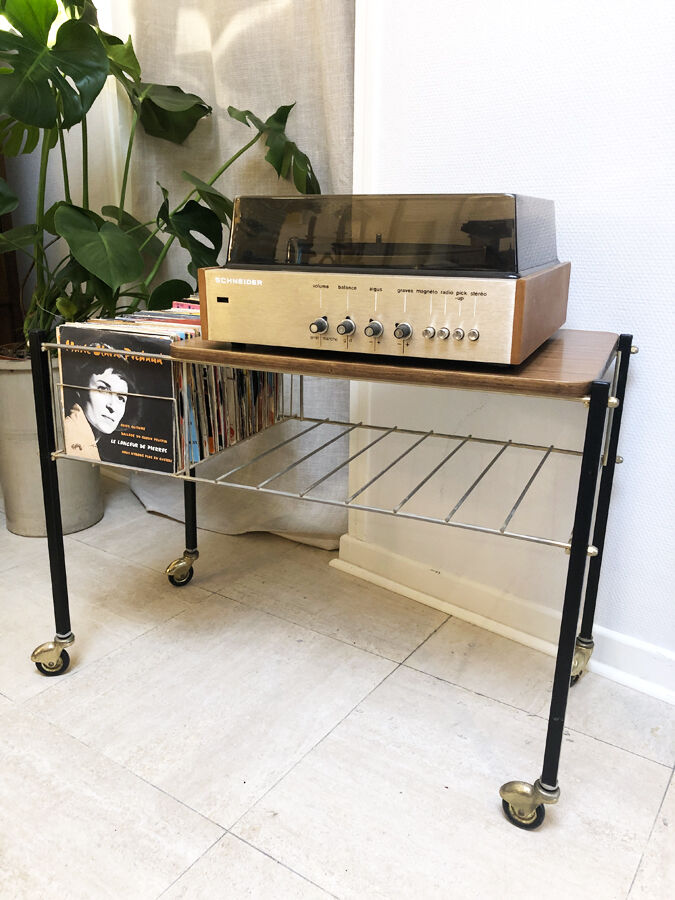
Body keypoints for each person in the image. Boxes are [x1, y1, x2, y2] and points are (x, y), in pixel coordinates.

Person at [62, 346, 138, 461]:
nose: (112, 406)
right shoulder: (73, 436)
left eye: (121, 398)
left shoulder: (93, 442)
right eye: (102, 389)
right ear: (80, 389)